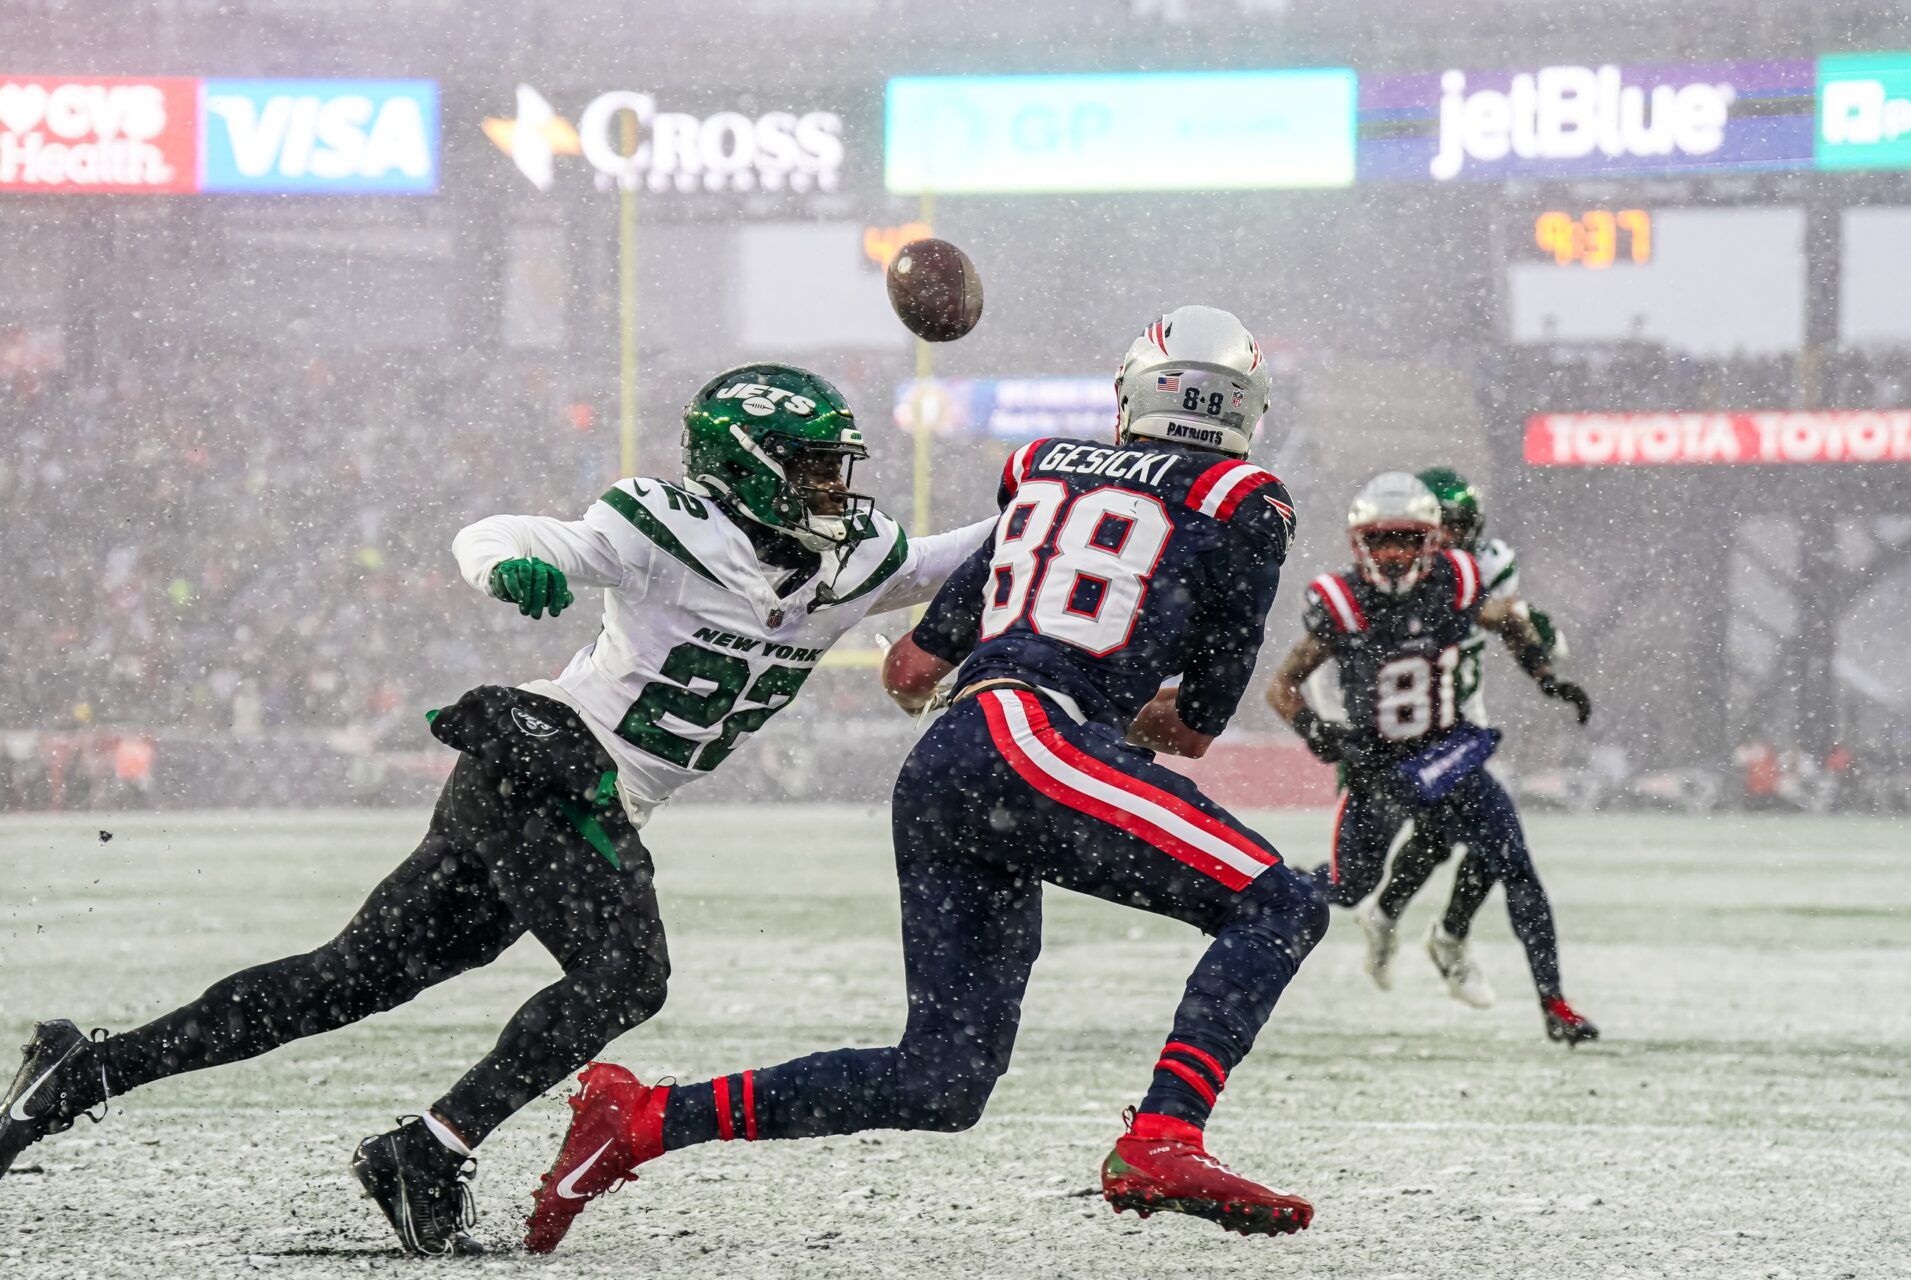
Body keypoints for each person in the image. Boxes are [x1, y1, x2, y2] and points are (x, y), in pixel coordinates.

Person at [0, 364, 993, 1256]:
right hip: (548, 766)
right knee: (626, 973)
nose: (838, 489)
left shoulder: (852, 561)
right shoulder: (664, 530)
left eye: (837, 468)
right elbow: (502, 533)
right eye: (817, 469)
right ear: (749, 468)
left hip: (558, 796)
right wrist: (512, 569)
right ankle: (426, 1150)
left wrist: (1071, 488)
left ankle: (84, 1069)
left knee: (343, 980)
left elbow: (949, 558)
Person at [522, 306, 1326, 1254]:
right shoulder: (1245, 499)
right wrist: (1115, 703)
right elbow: (1193, 725)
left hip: (952, 763)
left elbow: (908, 671)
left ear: (1133, 391)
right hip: (1037, 739)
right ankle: (1164, 1136)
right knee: (1278, 903)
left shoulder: (1040, 473)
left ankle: (643, 1118)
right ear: (1243, 409)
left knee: (941, 1080)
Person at [1264, 472, 1599, 1045]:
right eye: (1381, 542)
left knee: (1513, 863)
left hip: (1448, 752)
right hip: (1376, 764)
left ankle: (1555, 1003)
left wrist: (1545, 677)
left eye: (1406, 540)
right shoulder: (1342, 601)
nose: (1394, 555)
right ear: (1358, 545)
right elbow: (1283, 686)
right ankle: (1263, 886)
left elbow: (1510, 621)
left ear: (1433, 541)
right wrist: (1317, 730)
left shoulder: (1459, 581)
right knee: (1348, 886)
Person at [1355, 467, 1571, 1003]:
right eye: (1441, 525)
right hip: (1406, 729)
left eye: (1460, 525)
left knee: (1469, 842)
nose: (1451, 537)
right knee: (1445, 838)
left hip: (1462, 726)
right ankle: (1429, 931)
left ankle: (1418, 927)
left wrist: (1538, 635)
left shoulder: (1481, 568)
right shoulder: (1402, 577)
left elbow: (1530, 628)